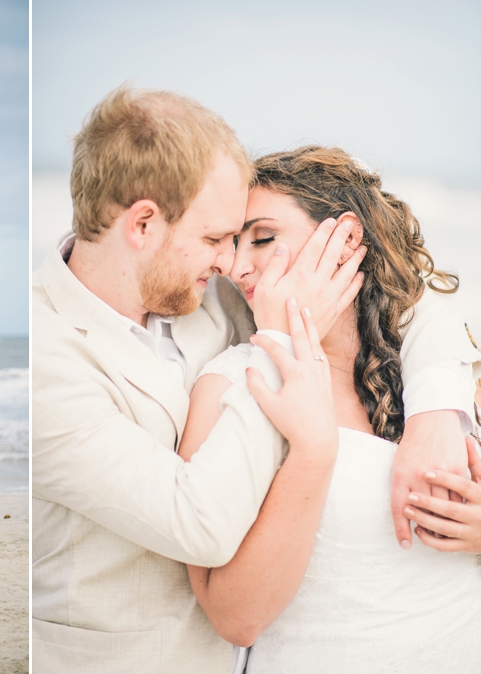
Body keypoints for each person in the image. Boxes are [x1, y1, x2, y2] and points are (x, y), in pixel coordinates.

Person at [32, 86, 476, 673]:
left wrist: (437, 412)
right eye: (218, 239)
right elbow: (201, 526)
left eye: (250, 239)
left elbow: (415, 293)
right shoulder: (45, 363)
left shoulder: (206, 291)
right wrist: (293, 368)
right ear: (143, 224)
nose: (231, 263)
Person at [178, 146, 481, 672]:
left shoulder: (443, 372)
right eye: (230, 244)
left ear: (345, 240)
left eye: (263, 238)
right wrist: (311, 453)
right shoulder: (230, 383)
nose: (235, 265)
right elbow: (234, 617)